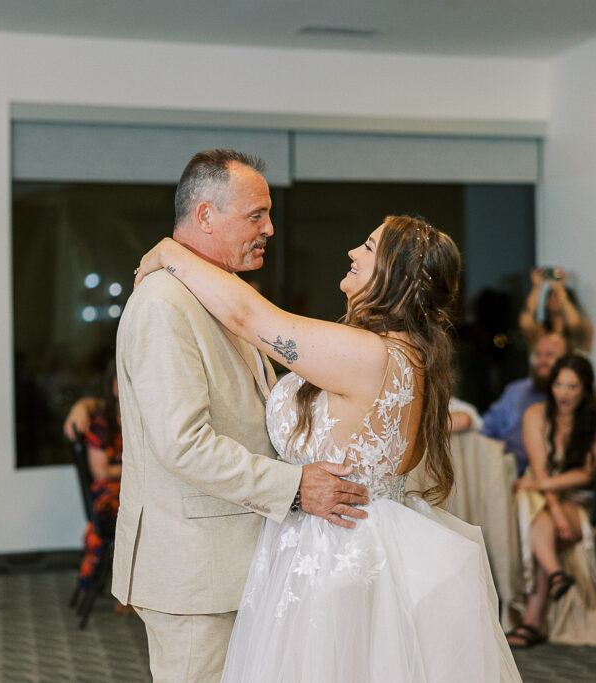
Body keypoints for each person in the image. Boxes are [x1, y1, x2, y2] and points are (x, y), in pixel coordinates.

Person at [135, 214, 520, 681]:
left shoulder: (367, 355)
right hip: (361, 542)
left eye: (368, 247)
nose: (353, 253)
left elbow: (250, 317)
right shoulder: (406, 353)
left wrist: (168, 252)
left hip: (336, 555)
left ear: (394, 276)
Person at [112, 149, 369, 682]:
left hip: (238, 559)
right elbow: (184, 444)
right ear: (205, 215)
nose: (270, 229)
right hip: (196, 568)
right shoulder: (164, 304)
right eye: (256, 215)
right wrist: (296, 487)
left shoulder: (220, 295)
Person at [506, 354, 596, 649]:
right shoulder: (535, 414)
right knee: (534, 508)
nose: (563, 393)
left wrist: (543, 488)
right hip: (542, 497)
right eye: (558, 385)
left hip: (580, 499)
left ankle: (531, 621)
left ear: (586, 389)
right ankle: (556, 574)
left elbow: (587, 474)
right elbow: (539, 468)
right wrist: (554, 507)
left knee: (534, 510)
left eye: (572, 387)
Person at [63, 362, 127, 611]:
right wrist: (138, 467)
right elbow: (100, 471)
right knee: (145, 515)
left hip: (134, 486)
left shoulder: (144, 413)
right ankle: (130, 595)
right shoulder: (103, 420)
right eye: (119, 378)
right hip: (110, 493)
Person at [480, 332, 568, 474]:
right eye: (538, 355)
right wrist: (492, 446)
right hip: (509, 468)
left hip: (554, 472)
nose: (542, 360)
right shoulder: (517, 390)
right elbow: (485, 427)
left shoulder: (578, 392)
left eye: (549, 355)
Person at [519, 267, 593, 354]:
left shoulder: (578, 330)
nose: (555, 298)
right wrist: (536, 287)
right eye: (551, 296)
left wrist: (560, 289)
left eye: (557, 295)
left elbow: (575, 324)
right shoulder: (541, 331)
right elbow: (526, 323)